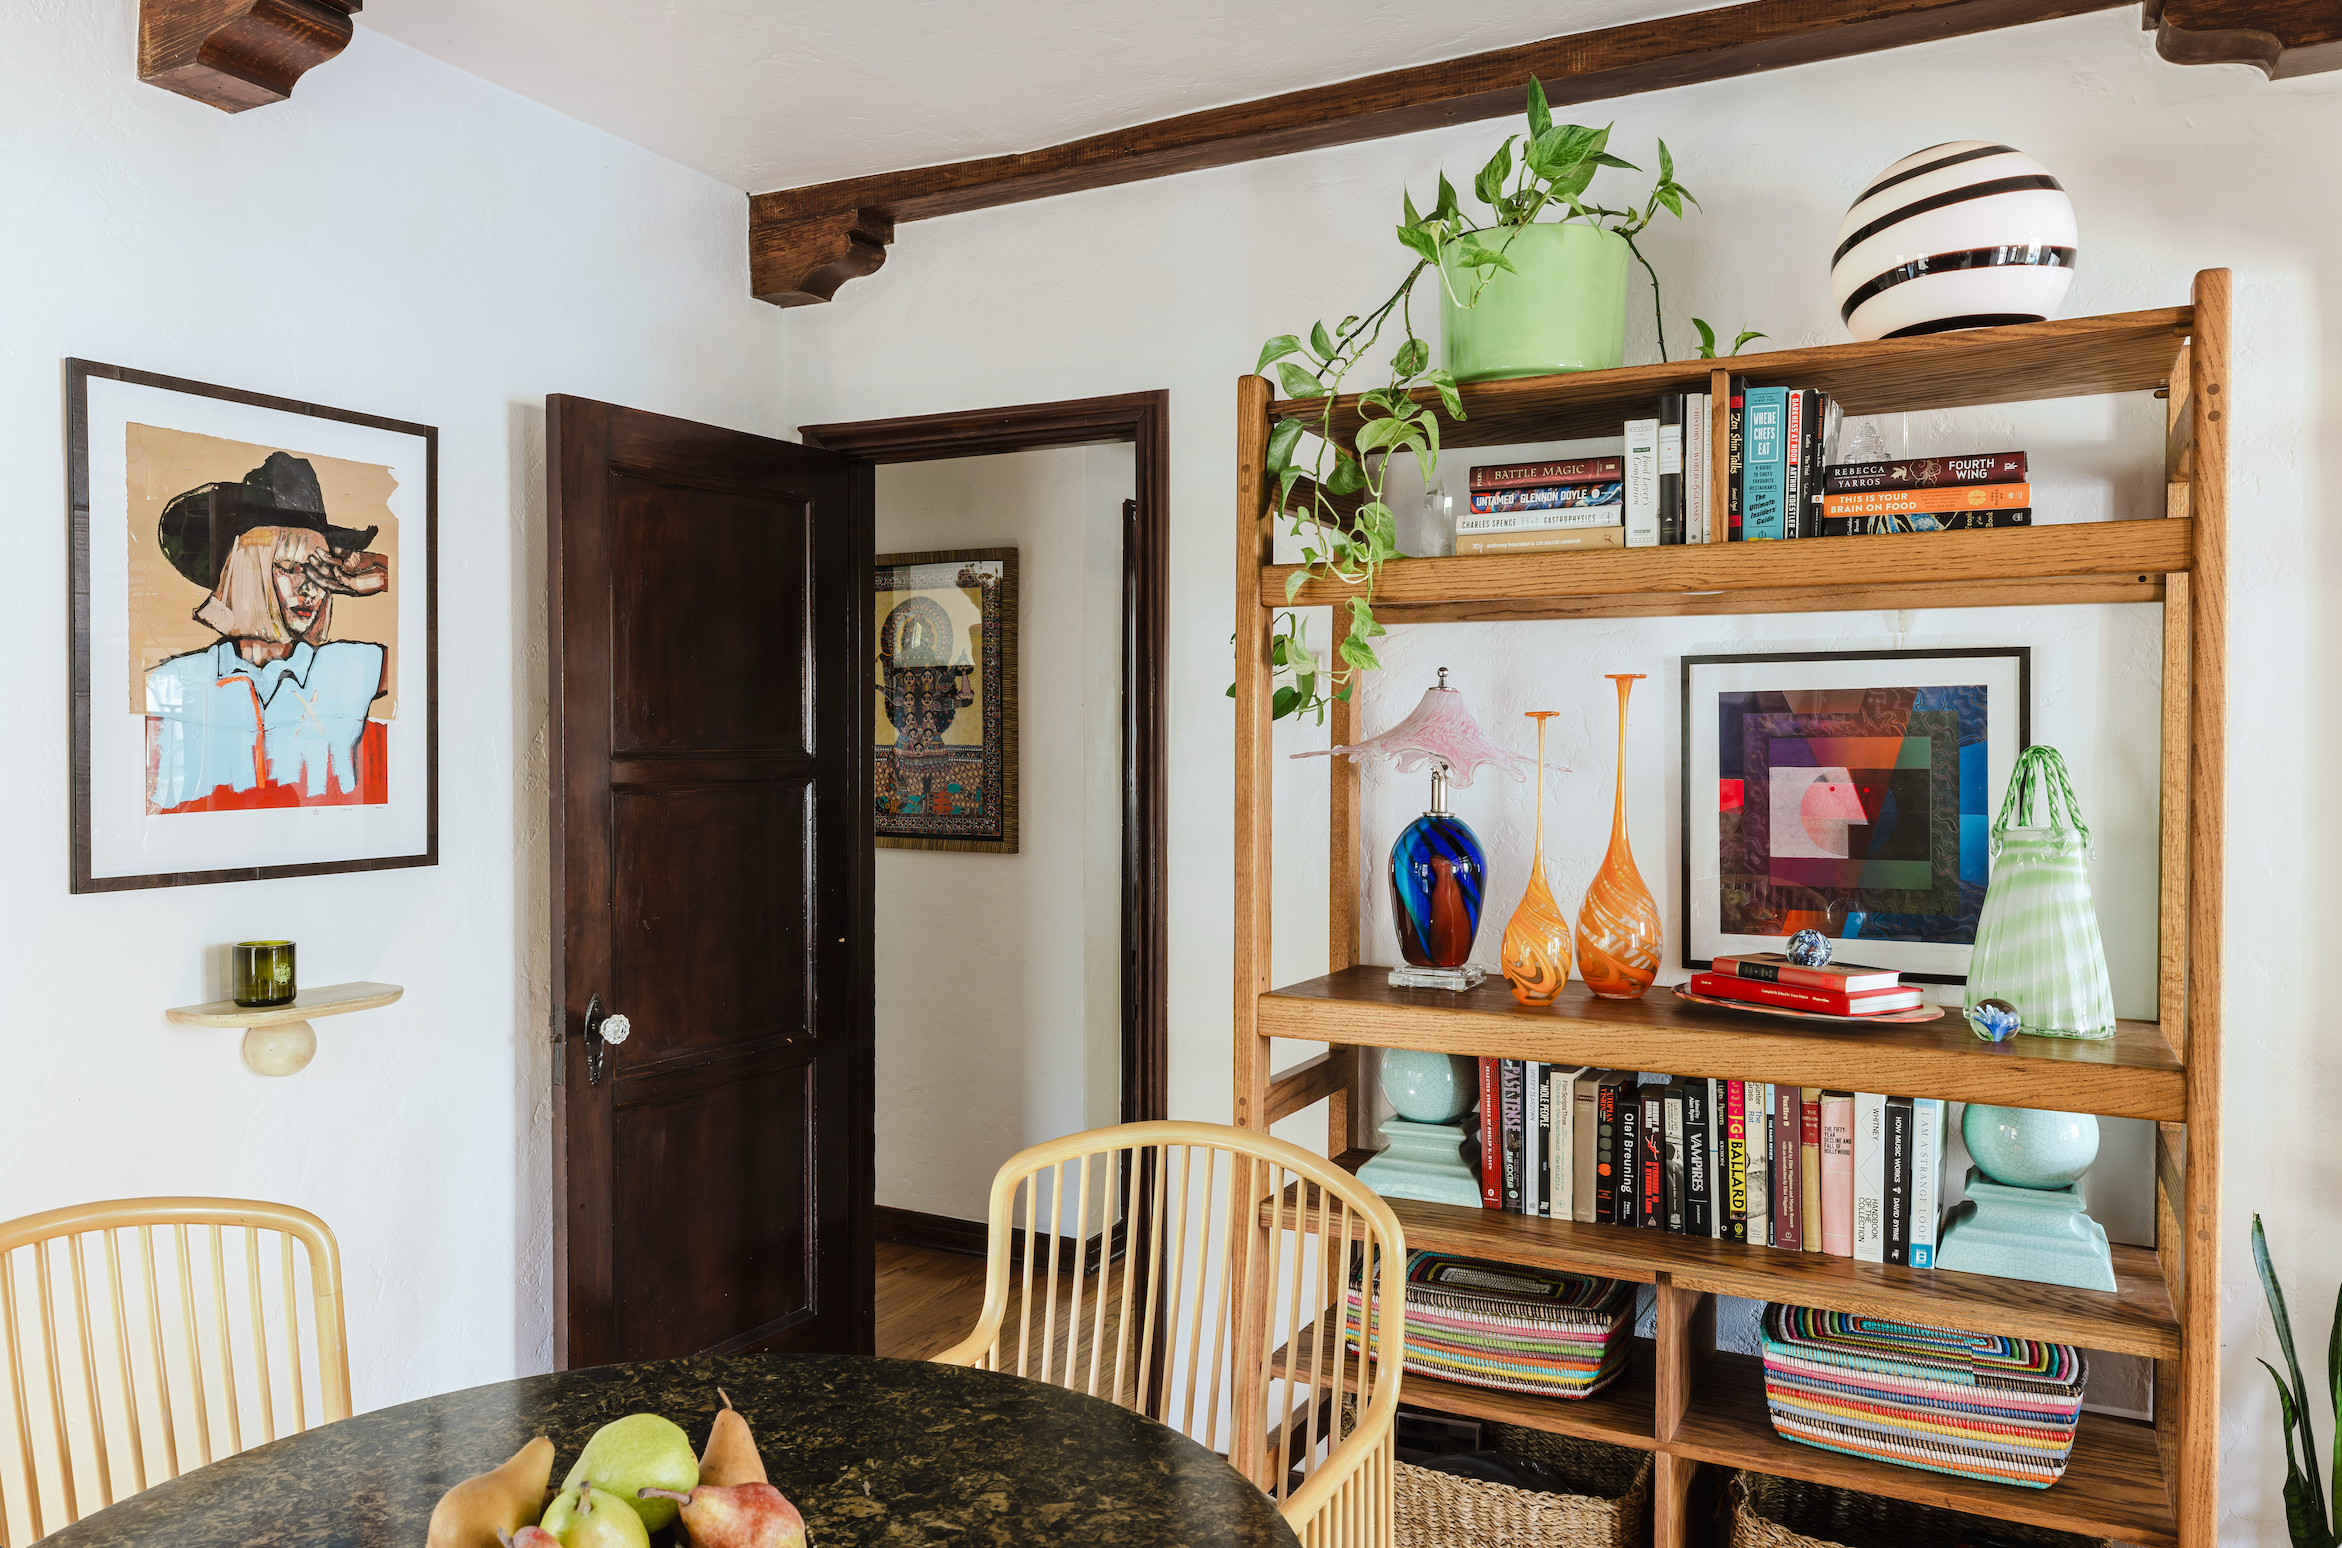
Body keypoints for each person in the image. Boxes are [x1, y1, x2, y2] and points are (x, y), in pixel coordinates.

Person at [145, 456, 392, 813]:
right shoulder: (175, 682)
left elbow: (444, 650)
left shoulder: (351, 665)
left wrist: (382, 574)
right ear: (249, 572)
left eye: (322, 571)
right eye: (290, 569)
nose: (310, 589)